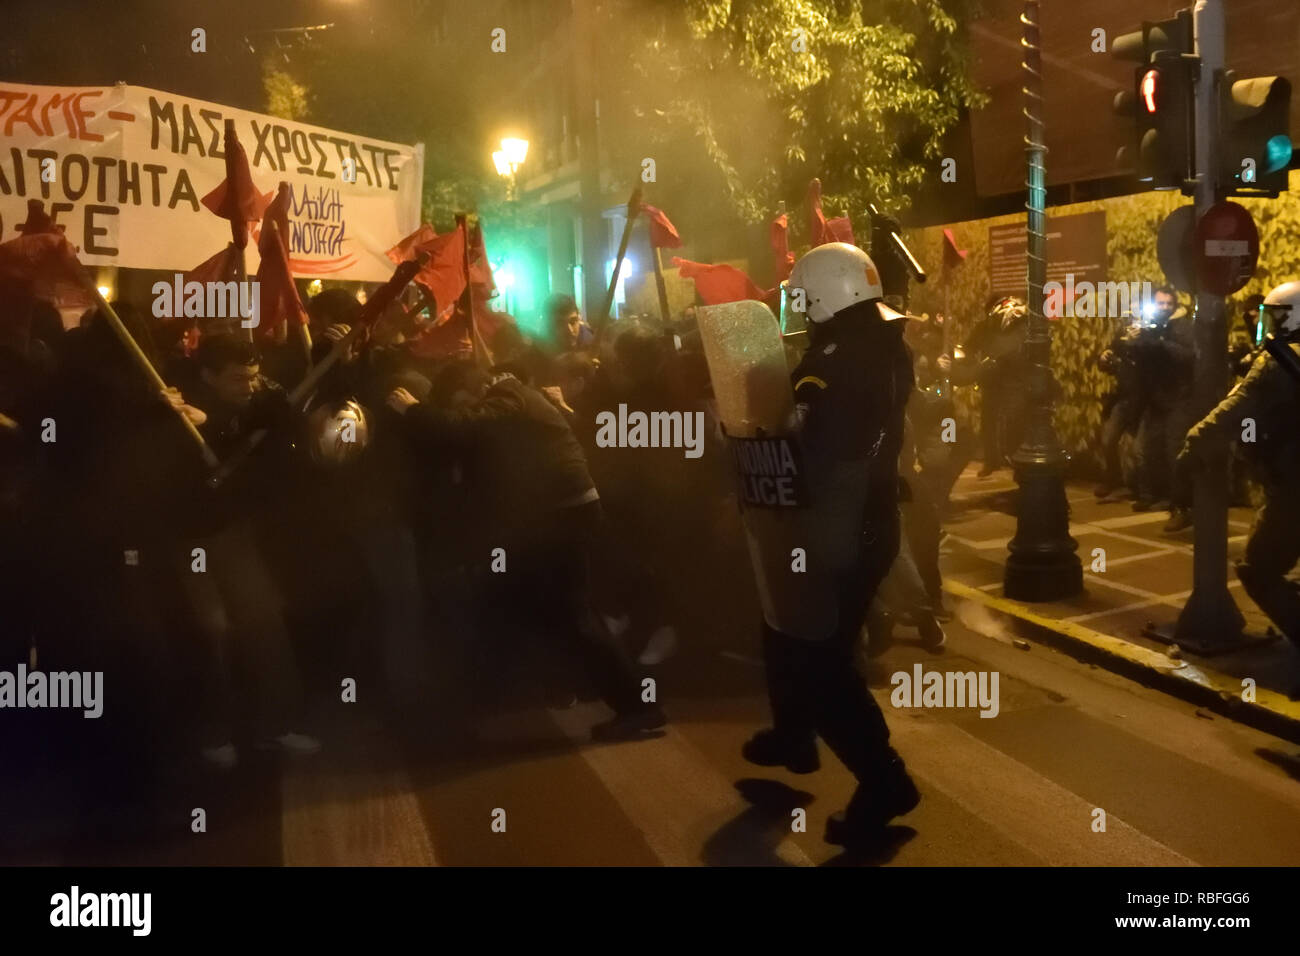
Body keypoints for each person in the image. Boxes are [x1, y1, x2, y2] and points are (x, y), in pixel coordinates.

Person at [740, 242, 920, 848]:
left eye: (805, 298)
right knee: (785, 625)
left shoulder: (836, 360)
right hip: (864, 521)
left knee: (823, 660)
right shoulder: (883, 342)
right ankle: (794, 734)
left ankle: (885, 781)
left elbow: (808, 435)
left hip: (843, 529)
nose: (803, 310)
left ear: (826, 295)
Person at [386, 360, 666, 741]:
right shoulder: (514, 397)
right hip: (550, 518)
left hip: (560, 517)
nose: (460, 407)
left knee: (569, 616)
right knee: (516, 607)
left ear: (472, 387)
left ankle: (637, 706)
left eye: (459, 399)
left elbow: (458, 427)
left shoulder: (507, 395)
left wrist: (412, 408)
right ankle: (483, 703)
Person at [180, 334, 320, 768]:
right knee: (213, 631)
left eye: (254, 377)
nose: (250, 386)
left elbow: (290, 429)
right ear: (208, 376)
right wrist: (203, 423)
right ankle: (213, 732)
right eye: (239, 378)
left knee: (265, 623)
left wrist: (271, 412)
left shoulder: (260, 401)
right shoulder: (177, 406)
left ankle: (275, 726)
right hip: (189, 537)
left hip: (234, 532)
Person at [1177, 281, 1300, 648]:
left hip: (1293, 484)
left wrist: (1191, 446)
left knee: (1258, 569)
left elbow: (1234, 412)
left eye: (1272, 316)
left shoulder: (1277, 361)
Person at [1128, 286, 1196, 531]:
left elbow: (1188, 356)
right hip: (1155, 400)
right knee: (1149, 450)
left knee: (1175, 453)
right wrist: (1135, 341)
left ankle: (1182, 508)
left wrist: (1161, 341)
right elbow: (1138, 360)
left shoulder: (1183, 326)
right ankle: (1156, 496)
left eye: (1169, 303)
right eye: (1161, 303)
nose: (1165, 307)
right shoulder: (1147, 324)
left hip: (1179, 398)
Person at [962, 296, 1029, 477]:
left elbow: (1023, 355)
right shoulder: (986, 327)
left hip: (1012, 382)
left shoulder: (1022, 327)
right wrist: (973, 364)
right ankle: (993, 461)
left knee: (1014, 422)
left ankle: (1015, 461)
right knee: (989, 422)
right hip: (992, 381)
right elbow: (969, 347)